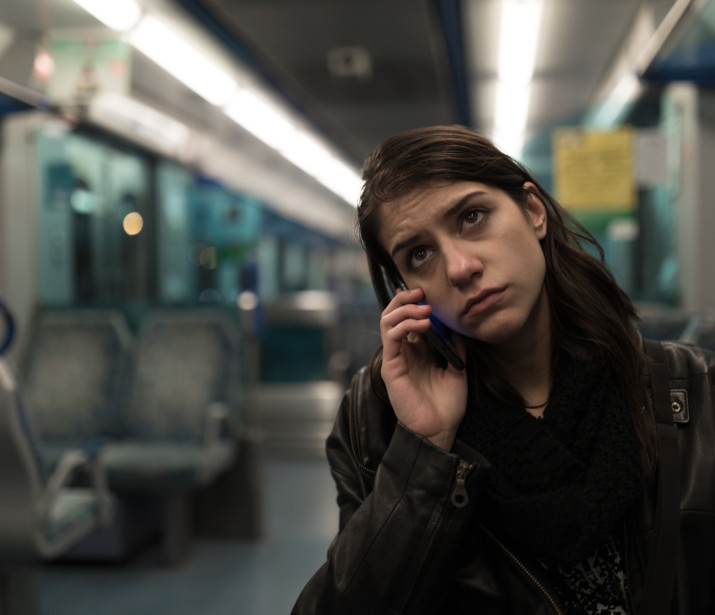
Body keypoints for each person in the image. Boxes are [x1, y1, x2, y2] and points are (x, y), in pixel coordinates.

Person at [291, 125, 715, 614]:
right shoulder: (377, 420)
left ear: (533, 211)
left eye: (472, 217)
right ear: (405, 288)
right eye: (419, 254)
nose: (459, 267)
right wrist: (423, 456)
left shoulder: (694, 392)